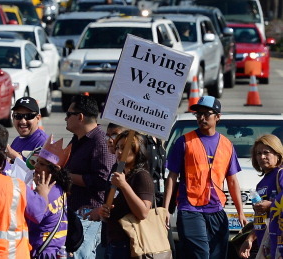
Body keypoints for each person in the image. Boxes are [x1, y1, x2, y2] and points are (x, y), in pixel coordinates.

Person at [163, 95, 247, 259]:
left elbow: (232, 181)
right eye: (198, 114)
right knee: (201, 254)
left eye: (206, 114)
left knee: (217, 255)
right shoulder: (184, 142)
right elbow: (172, 176)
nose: (201, 118)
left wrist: (240, 212)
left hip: (216, 209)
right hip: (190, 209)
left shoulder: (227, 145)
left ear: (217, 117)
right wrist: (166, 209)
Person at [63, 94, 115, 259]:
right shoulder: (77, 139)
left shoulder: (100, 142)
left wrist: (66, 176)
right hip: (73, 214)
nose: (65, 118)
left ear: (80, 117)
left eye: (69, 114)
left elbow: (102, 181)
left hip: (89, 216)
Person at [95, 131, 154, 258]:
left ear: (137, 150)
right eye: (117, 148)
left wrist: (124, 185)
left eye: (123, 148)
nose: (119, 152)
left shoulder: (141, 176)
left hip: (131, 245)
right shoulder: (118, 174)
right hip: (113, 241)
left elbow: (143, 213)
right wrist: (104, 212)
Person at [238, 134, 283, 258]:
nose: (262, 157)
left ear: (277, 155)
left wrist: (271, 205)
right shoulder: (260, 184)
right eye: (258, 153)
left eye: (266, 152)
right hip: (266, 244)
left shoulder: (280, 174)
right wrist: (250, 239)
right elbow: (262, 218)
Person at [29, 135, 73, 259]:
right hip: (55, 251)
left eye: (42, 164)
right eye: (37, 161)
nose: (36, 166)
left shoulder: (47, 192)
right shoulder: (59, 188)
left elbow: (31, 221)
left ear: (53, 171)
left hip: (43, 253)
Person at [7, 96, 48, 163]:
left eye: (29, 116)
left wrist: (16, 157)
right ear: (13, 117)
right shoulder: (17, 140)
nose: (23, 121)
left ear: (38, 118)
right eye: (18, 116)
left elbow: (39, 172)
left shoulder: (44, 143)